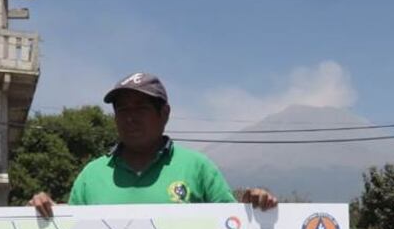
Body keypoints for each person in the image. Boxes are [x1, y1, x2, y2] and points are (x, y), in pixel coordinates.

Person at [29, 72, 277, 217]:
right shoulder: (91, 175)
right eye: (122, 109)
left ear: (164, 114)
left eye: (142, 108)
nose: (130, 116)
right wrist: (44, 212)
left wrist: (255, 207)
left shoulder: (197, 167)